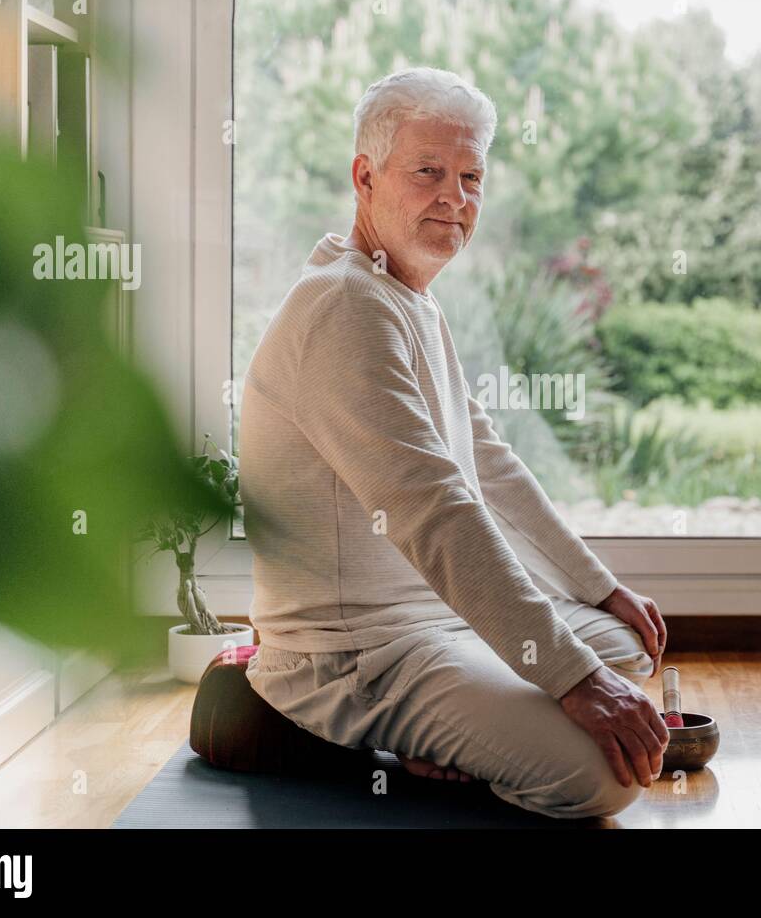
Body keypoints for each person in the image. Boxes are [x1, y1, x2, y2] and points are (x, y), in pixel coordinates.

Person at [240, 66, 668, 819]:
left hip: (441, 620)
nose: (455, 197)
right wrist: (571, 681)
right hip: (358, 656)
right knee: (603, 776)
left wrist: (600, 587)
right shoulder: (347, 307)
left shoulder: (406, 296)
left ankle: (452, 729)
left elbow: (488, 464)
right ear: (364, 177)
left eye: (472, 176)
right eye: (428, 171)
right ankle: (325, 732)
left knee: (622, 647)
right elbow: (435, 509)